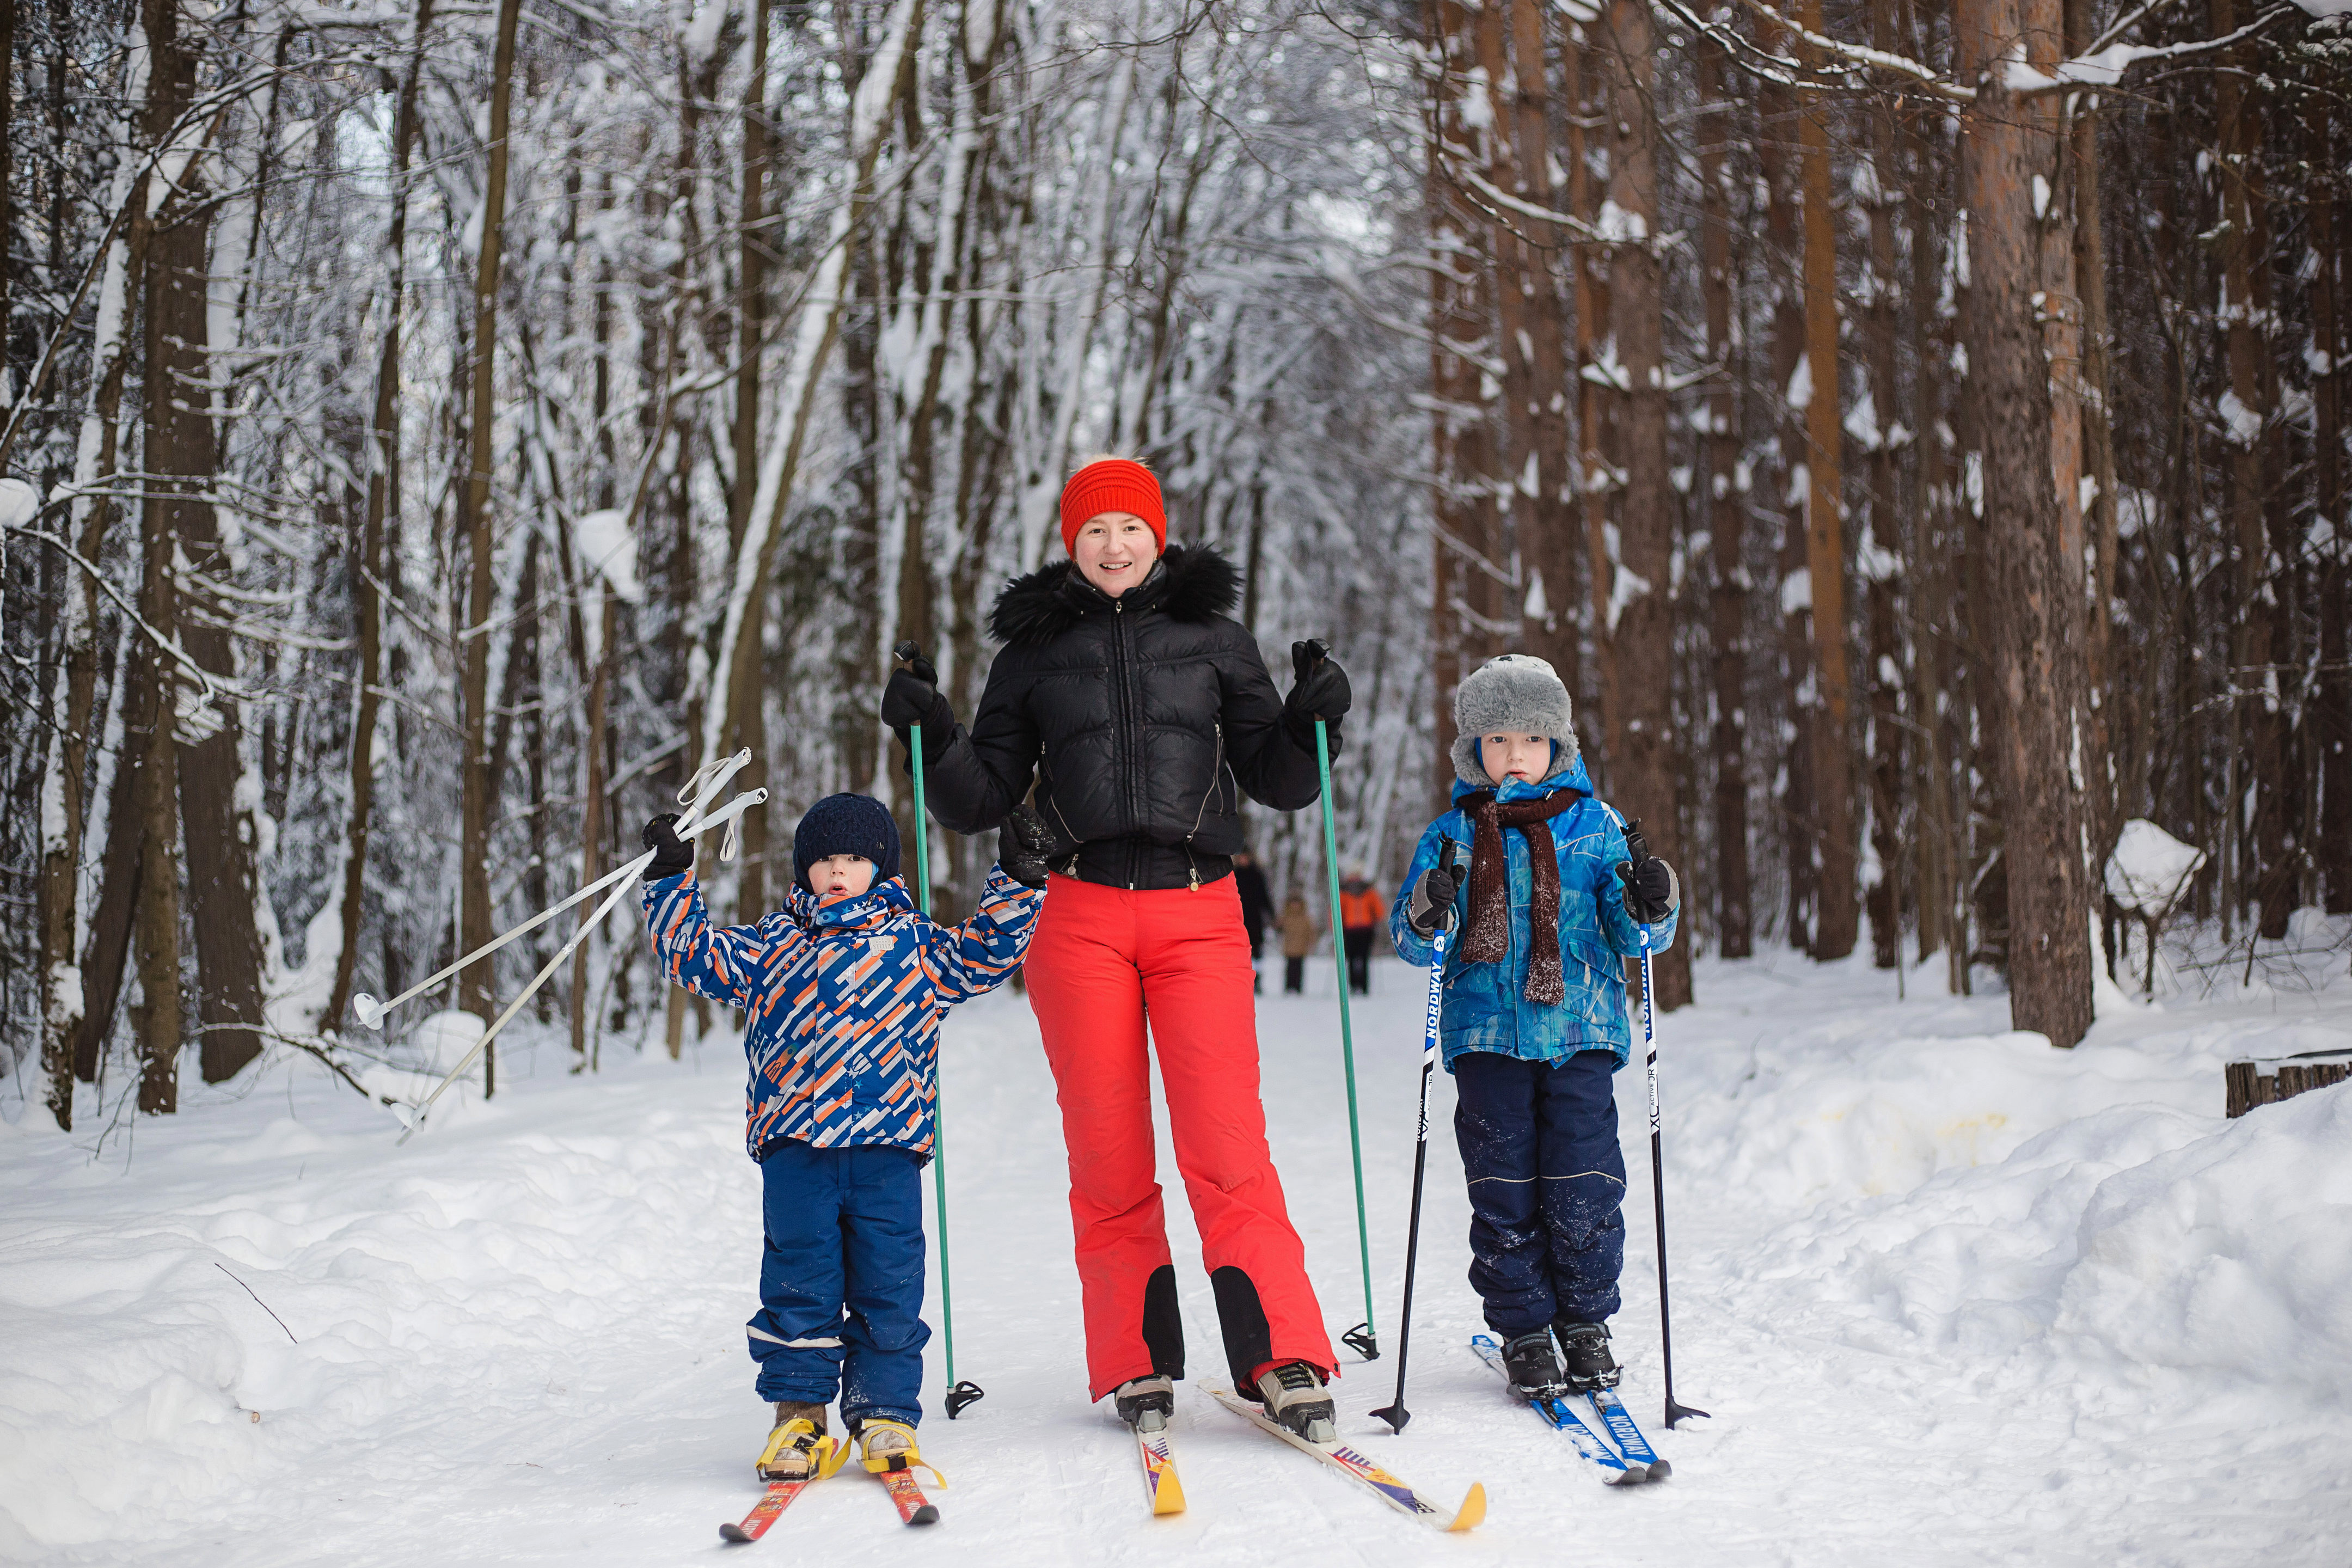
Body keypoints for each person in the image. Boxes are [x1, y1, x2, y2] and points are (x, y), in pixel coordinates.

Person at [881, 454, 1354, 1442]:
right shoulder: (1032, 654)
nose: (1113, 545)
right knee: (1108, 1153)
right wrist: (930, 728)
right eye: (1095, 530)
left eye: (1129, 528)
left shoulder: (1215, 637)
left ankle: (1284, 1354)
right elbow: (979, 801)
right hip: (1079, 918)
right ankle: (1137, 1362)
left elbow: (1279, 779)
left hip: (1199, 909)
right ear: (1071, 541)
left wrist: (1312, 718)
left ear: (1158, 533)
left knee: (1226, 1147)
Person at [638, 793, 1055, 1484]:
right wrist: (671, 878)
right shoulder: (774, 944)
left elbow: (986, 954)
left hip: (887, 1151)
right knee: (800, 1282)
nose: (837, 870)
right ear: (805, 869)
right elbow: (694, 956)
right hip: (796, 1152)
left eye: (854, 858)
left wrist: (1019, 876)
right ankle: (799, 1416)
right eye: (825, 859)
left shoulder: (916, 945)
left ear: (881, 867)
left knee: (890, 1284)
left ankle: (884, 1410)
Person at [1386, 654, 1682, 1398]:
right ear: (1473, 750)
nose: (1513, 754)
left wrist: (1654, 901)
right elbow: (1416, 941)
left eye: (1529, 739)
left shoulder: (1598, 825)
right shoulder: (1451, 833)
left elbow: (1635, 935)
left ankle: (1585, 1321)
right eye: (1496, 739)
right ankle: (1522, 1327)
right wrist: (1431, 903)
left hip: (1581, 1033)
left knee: (1585, 1183)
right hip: (1486, 1039)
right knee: (1503, 1186)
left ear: (1557, 745)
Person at [1337, 866, 1383, 995]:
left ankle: (1360, 986)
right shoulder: (1348, 892)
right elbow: (1339, 910)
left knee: (1360, 958)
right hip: (1355, 929)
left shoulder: (1367, 891)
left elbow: (1378, 910)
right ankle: (1358, 986)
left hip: (1361, 929)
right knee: (1356, 958)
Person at [1233, 849, 1273, 993]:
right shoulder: (1234, 874)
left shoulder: (1257, 875)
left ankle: (1257, 981)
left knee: (1257, 952)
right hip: (1238, 920)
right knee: (1240, 951)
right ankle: (1240, 980)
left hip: (1255, 920)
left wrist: (1271, 914)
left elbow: (1264, 896)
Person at [1279, 891, 1318, 994]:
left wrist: (1311, 943)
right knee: (1290, 968)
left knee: (1299, 968)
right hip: (1289, 947)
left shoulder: (1305, 918)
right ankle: (1289, 987)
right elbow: (1280, 928)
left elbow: (1310, 932)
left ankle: (1298, 987)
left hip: (1301, 948)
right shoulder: (1286, 917)